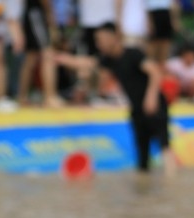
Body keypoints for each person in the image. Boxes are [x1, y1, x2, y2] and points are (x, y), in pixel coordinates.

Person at [56, 22, 176, 174]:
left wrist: (151, 97)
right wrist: (61, 58)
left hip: (155, 105)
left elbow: (155, 72)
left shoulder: (133, 54)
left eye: (100, 40)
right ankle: (144, 184)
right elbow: (87, 62)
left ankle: (172, 180)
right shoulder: (109, 60)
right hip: (136, 110)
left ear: (113, 37)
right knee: (142, 157)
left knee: (164, 146)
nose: (98, 44)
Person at [16, 0, 63, 106]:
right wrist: (51, 18)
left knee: (31, 58)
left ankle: (22, 96)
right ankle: (50, 96)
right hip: (36, 14)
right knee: (48, 55)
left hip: (32, 13)